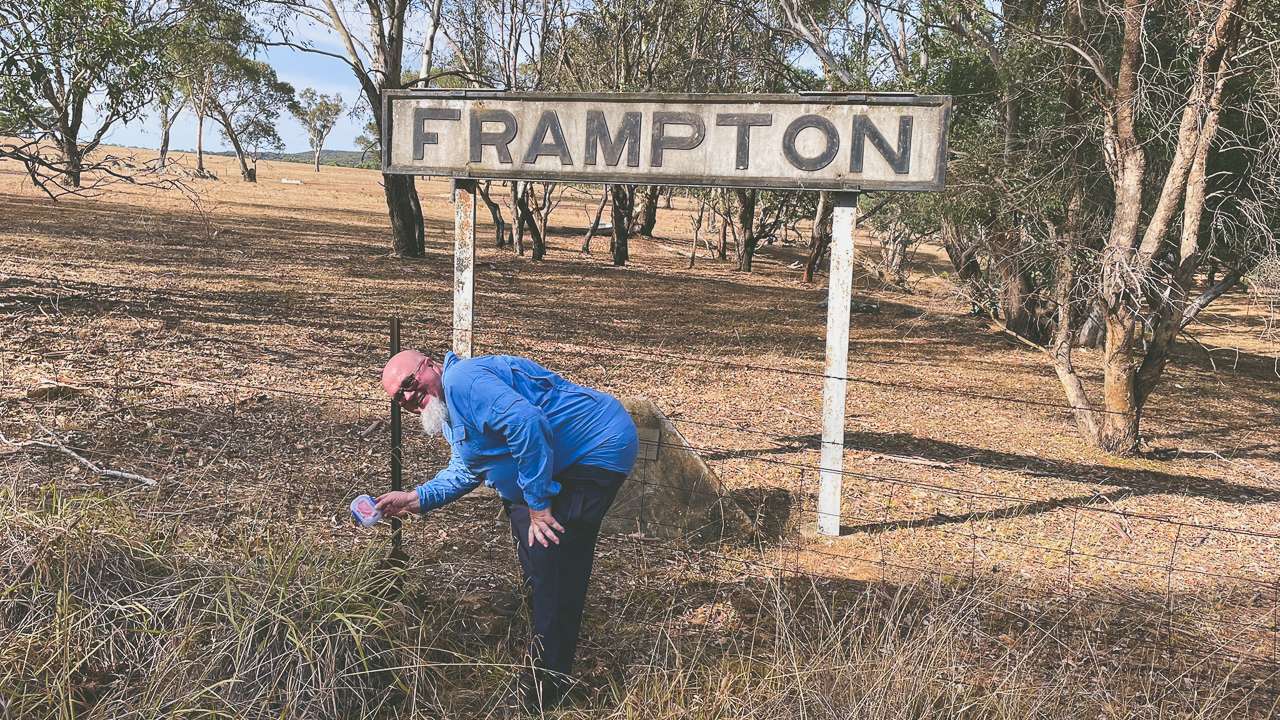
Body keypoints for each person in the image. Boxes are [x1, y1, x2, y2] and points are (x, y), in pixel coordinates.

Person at [374, 349, 638, 713]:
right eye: (398, 397)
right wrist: (415, 498)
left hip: (595, 449)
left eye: (408, 383)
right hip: (562, 462)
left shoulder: (462, 380)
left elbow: (526, 422)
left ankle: (548, 689)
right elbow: (467, 471)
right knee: (536, 555)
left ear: (431, 365)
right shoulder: (452, 411)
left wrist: (539, 501)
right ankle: (545, 638)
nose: (407, 396)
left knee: (554, 562)